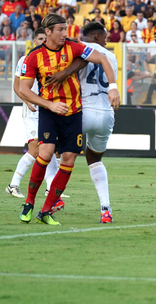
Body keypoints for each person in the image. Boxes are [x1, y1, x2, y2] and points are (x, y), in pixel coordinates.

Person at [18, 14, 120, 226]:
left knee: (67, 159)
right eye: (61, 30)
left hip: (76, 111)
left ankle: (47, 209)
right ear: (48, 32)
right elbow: (22, 89)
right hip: (56, 110)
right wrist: (48, 104)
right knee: (47, 154)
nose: (66, 33)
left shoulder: (74, 46)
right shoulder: (34, 56)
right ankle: (29, 202)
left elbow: (95, 58)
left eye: (66, 29)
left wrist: (65, 73)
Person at [44, 22, 117, 223]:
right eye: (105, 37)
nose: (106, 40)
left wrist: (63, 73)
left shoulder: (81, 50)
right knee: (94, 159)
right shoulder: (111, 57)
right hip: (106, 113)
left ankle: (53, 194)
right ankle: (106, 208)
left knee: (48, 147)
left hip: (83, 111)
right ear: (96, 37)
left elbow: (79, 64)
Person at [6, 30, 60, 199]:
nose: (43, 41)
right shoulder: (25, 59)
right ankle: (13, 184)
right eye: (40, 39)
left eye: (45, 39)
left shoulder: (50, 59)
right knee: (35, 149)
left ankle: (51, 187)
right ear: (35, 40)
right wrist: (28, 102)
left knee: (49, 148)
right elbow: (17, 86)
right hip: (31, 111)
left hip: (45, 110)